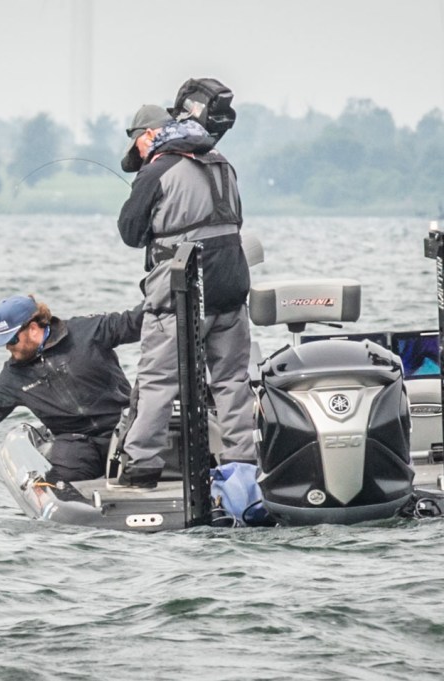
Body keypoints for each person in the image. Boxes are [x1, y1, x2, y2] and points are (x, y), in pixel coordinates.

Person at [114, 104, 255, 489]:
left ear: (147, 135)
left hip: (182, 291)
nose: (139, 153)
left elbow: (130, 233)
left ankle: (141, 466)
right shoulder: (222, 163)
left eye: (137, 144)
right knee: (232, 380)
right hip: (231, 286)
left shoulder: (157, 170)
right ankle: (243, 465)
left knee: (158, 381)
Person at [0, 294, 143, 483]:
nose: (8, 347)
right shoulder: (13, 375)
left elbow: (135, 322)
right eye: (4, 341)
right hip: (75, 443)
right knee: (61, 481)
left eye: (12, 340)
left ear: (33, 328)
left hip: (125, 426)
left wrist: (159, 289)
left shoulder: (88, 331)